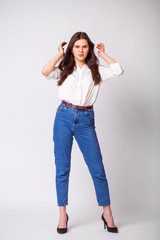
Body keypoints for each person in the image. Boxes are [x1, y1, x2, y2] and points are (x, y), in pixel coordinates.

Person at [41, 32, 124, 234]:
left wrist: (103, 55)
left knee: (97, 168)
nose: (80, 50)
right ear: (71, 49)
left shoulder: (96, 70)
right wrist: (59, 55)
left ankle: (107, 214)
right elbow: (45, 71)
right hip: (63, 117)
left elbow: (118, 70)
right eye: (77, 46)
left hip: (86, 119)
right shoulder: (64, 69)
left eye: (84, 46)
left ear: (89, 49)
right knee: (62, 168)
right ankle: (63, 214)